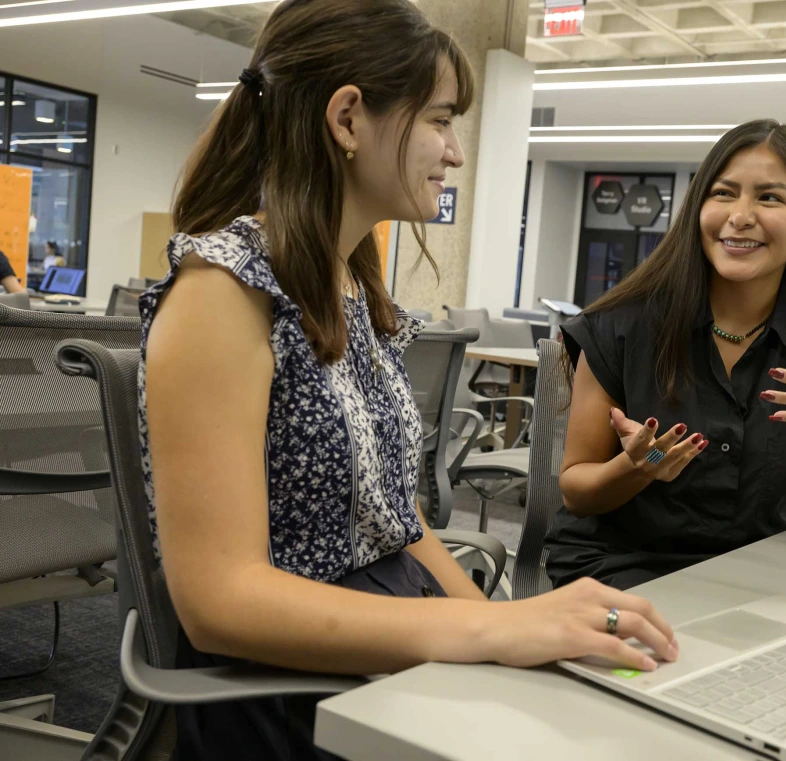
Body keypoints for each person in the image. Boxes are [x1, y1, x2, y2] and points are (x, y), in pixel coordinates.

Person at [141, 2, 675, 759]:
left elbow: (400, 520)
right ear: (349, 119)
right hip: (289, 689)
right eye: (441, 120)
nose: (455, 152)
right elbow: (219, 601)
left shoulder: (351, 287)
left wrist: (521, 627)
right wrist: (490, 628)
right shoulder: (224, 293)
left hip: (384, 637)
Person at [545, 120, 786, 591]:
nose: (740, 215)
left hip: (750, 575)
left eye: (770, 197)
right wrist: (634, 469)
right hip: (618, 568)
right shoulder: (623, 324)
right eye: (723, 193)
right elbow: (576, 491)